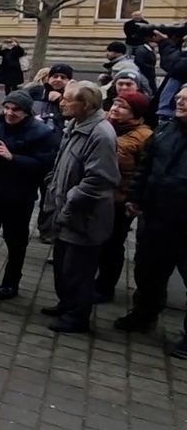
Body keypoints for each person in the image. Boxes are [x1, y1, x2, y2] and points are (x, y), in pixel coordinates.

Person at [39, 81, 119, 333]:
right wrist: (52, 184)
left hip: (84, 217)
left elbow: (99, 180)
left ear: (85, 105)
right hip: (65, 211)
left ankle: (77, 316)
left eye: (68, 99)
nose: (61, 102)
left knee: (78, 270)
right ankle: (67, 304)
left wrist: (70, 203)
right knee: (63, 265)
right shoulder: (75, 125)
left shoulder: (101, 134)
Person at [114, 87, 187, 356]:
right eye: (178, 98)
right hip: (156, 216)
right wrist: (135, 197)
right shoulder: (166, 130)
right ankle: (144, 314)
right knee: (148, 270)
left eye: (186, 100)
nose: (179, 102)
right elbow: (145, 166)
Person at [0, 90, 59, 298]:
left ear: (27, 112)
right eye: (7, 108)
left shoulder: (41, 132)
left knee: (16, 242)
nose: (10, 113)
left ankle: (11, 282)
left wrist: (13, 158)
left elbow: (44, 165)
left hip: (19, 195)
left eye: (16, 110)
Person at [94, 91, 152, 303]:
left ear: (135, 113)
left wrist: (135, 198)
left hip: (120, 199)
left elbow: (144, 171)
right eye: (115, 104)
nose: (115, 109)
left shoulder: (144, 136)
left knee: (112, 244)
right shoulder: (105, 125)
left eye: (123, 107)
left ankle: (105, 286)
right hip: (98, 194)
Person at [32, 63, 73, 133]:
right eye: (55, 76)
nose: (58, 79)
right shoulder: (35, 91)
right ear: (49, 78)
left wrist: (60, 100)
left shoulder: (73, 97)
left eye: (63, 77)